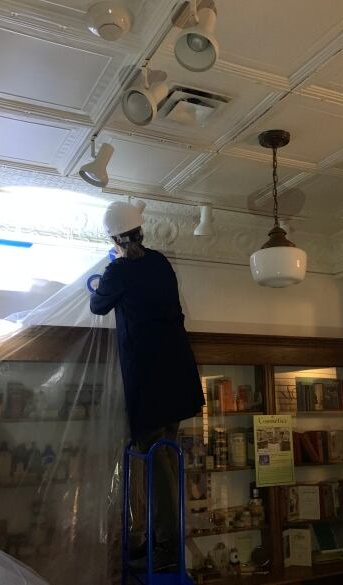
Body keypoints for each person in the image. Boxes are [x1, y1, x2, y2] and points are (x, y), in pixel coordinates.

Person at [90, 200, 204, 571]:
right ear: (141, 231)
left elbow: (97, 306)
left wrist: (111, 266)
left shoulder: (118, 270)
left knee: (156, 459)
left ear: (114, 238)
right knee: (165, 454)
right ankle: (162, 541)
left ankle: (167, 546)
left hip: (149, 377)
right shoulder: (160, 261)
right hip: (177, 370)